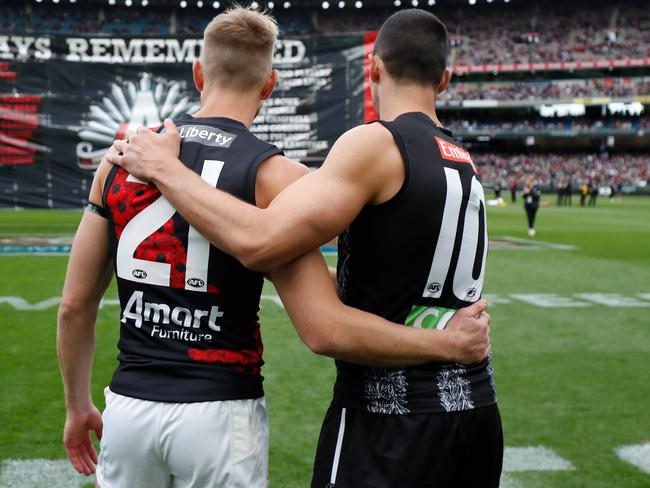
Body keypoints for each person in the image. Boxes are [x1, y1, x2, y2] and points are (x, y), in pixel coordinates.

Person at [58, 8, 491, 488]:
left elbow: (75, 305)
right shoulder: (284, 176)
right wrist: (448, 341)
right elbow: (330, 283)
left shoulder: (123, 161)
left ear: (198, 73)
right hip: (225, 407)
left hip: (132, 404)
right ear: (270, 86)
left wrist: (78, 405)